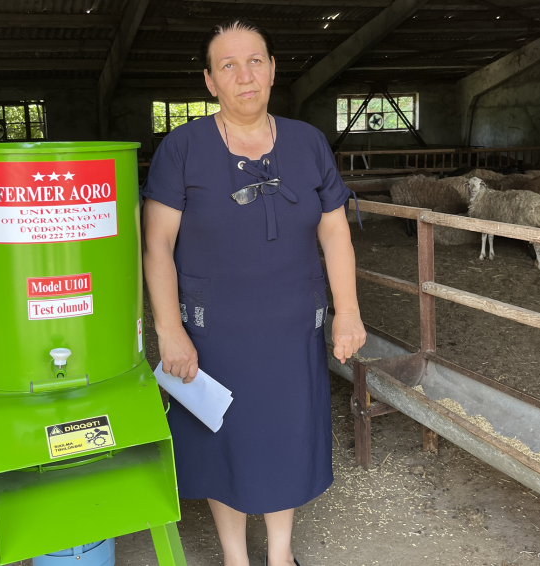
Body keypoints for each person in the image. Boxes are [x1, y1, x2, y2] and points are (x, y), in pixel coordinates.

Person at [140, 19, 366, 566]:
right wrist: (170, 332)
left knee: (285, 435)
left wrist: (347, 312)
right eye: (229, 65)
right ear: (210, 81)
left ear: (272, 68)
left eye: (256, 61)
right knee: (227, 441)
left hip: (294, 325)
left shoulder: (308, 142)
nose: (246, 76)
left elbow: (334, 228)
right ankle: (236, 557)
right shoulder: (183, 148)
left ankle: (281, 554)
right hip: (216, 330)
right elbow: (157, 246)